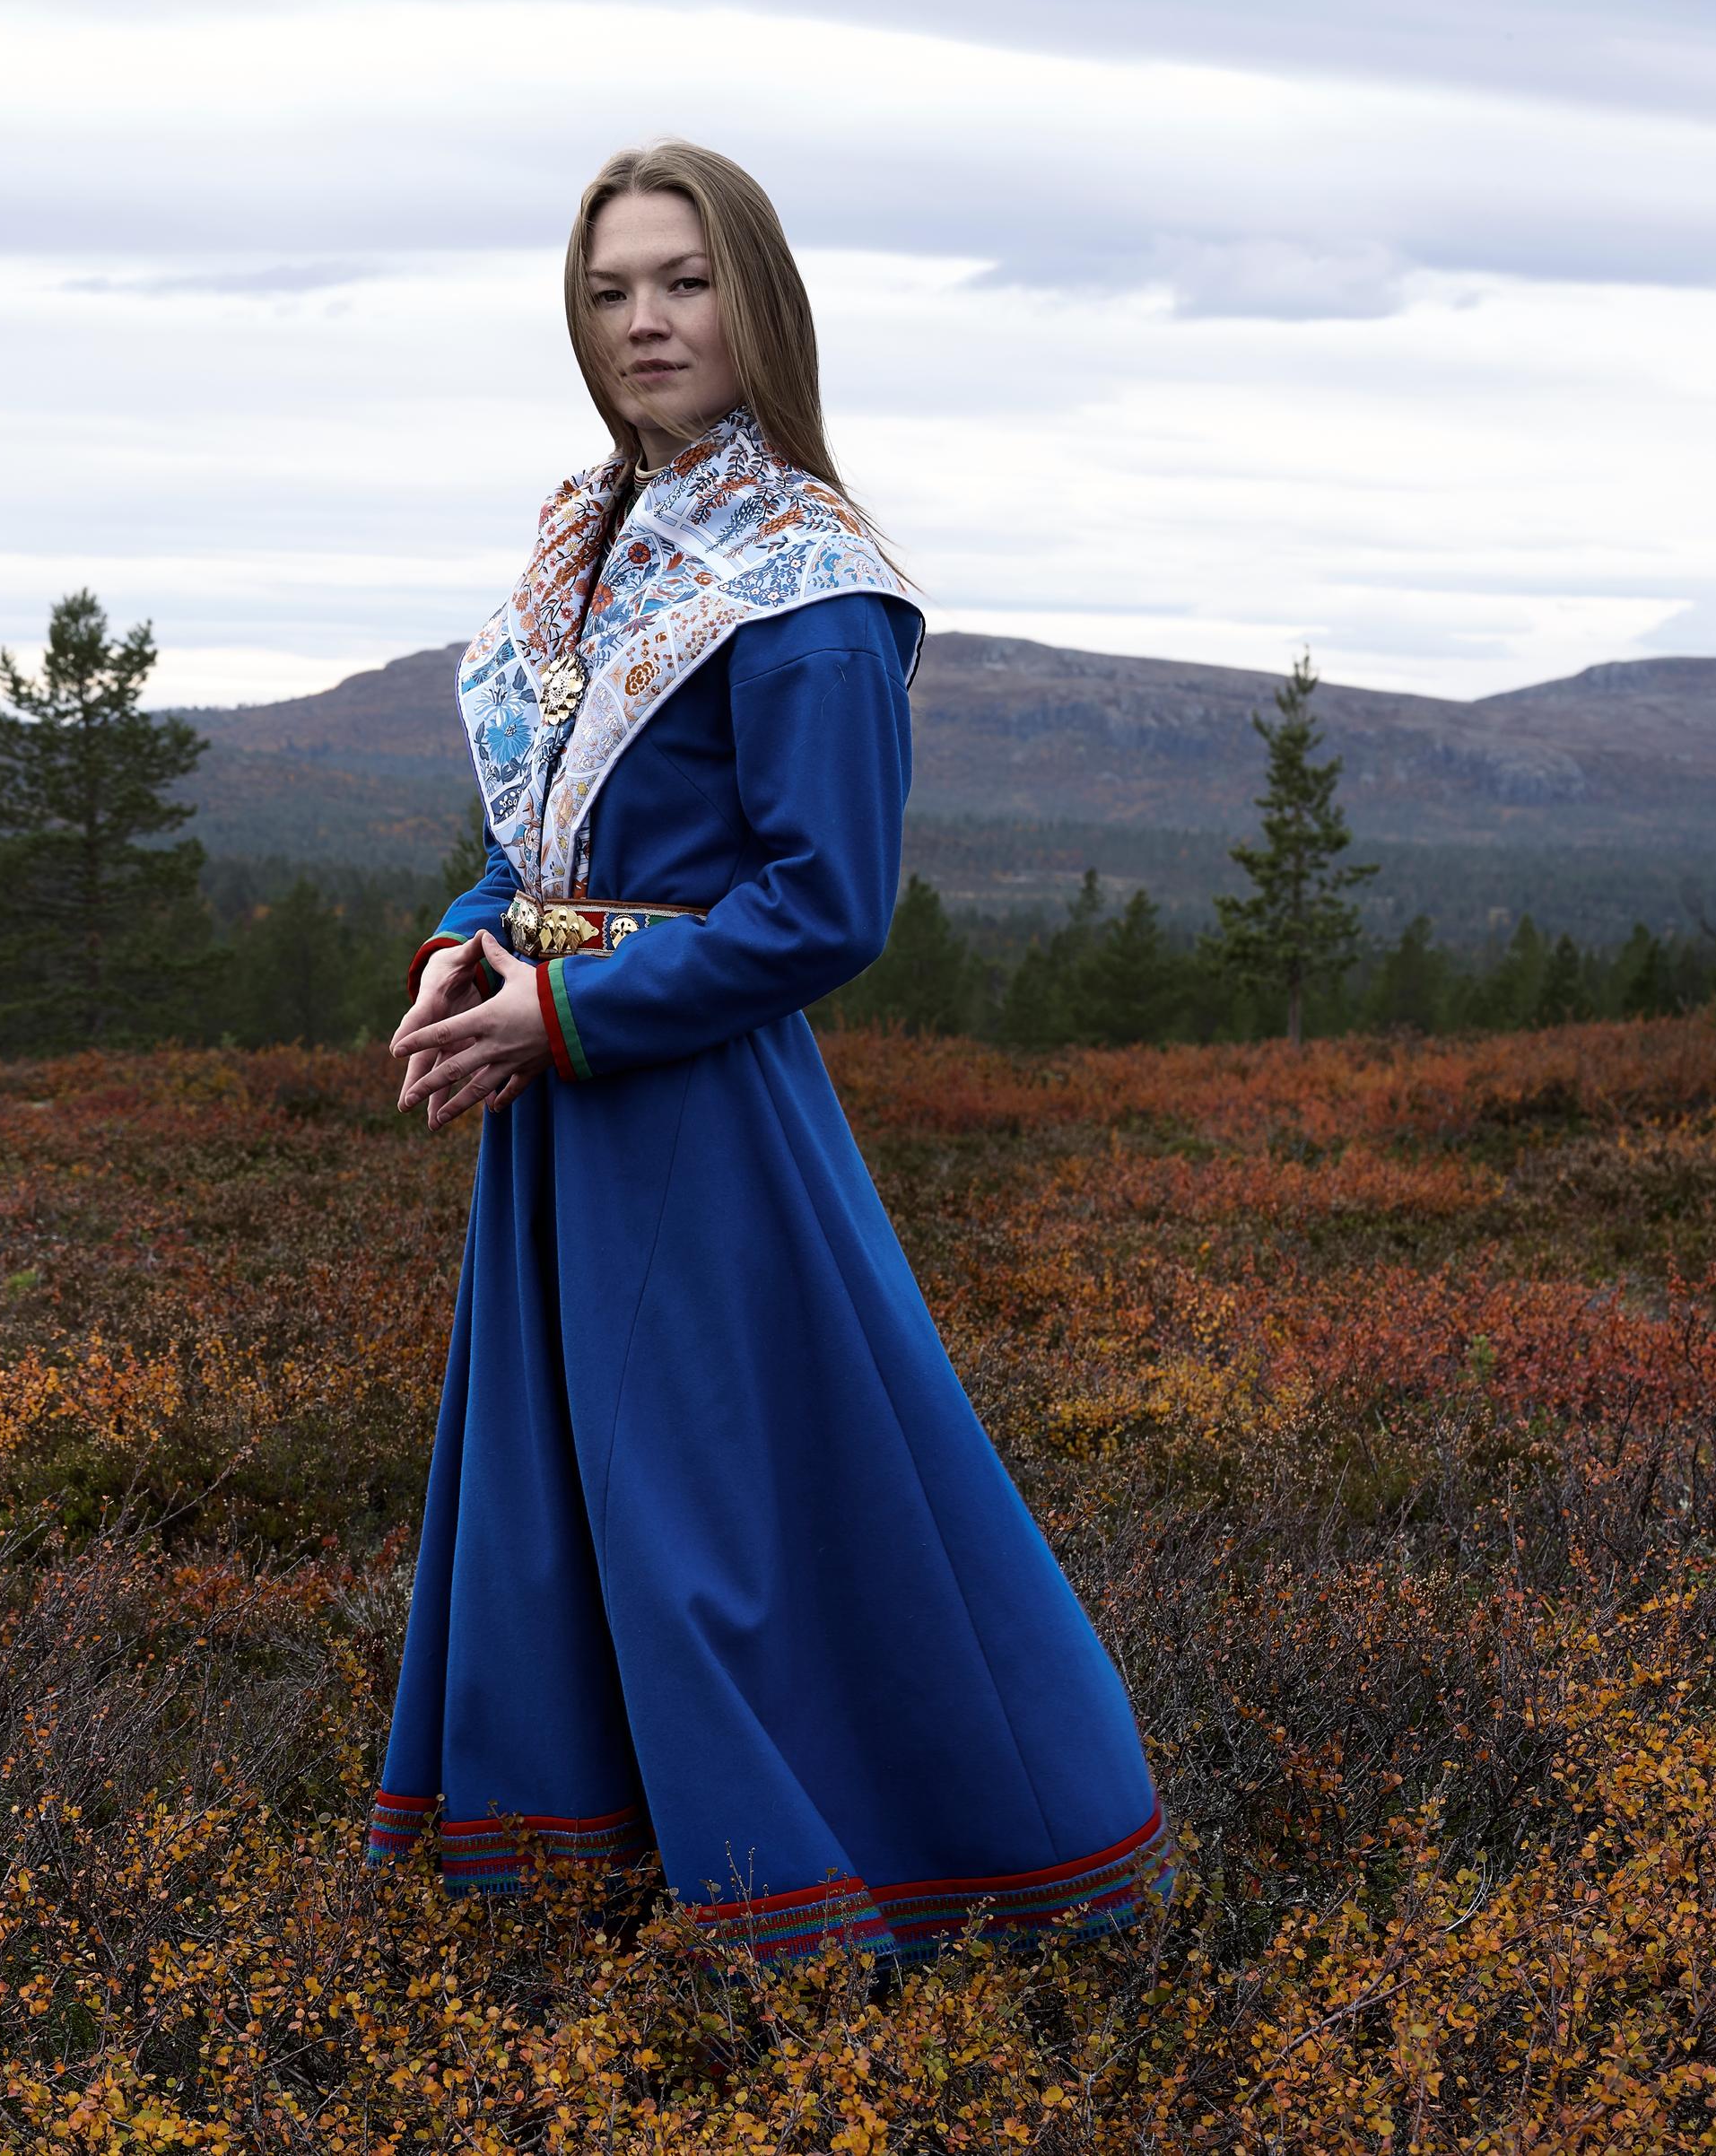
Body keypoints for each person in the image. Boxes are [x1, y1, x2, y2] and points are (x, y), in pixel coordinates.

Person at [370, 140, 1172, 1965]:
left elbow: (824, 906)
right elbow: (561, 830)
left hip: (697, 1120)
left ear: (758, 297)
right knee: (562, 1516)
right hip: (563, 1108)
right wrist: (466, 936)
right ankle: (592, 1890)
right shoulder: (589, 542)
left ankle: (818, 1895)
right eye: (608, 291)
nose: (644, 321)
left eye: (682, 280)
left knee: (706, 1526)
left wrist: (563, 1011)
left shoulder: (807, 582)